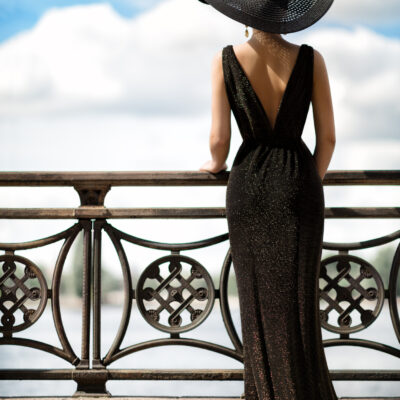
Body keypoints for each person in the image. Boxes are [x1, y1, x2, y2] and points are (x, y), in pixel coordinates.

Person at [198, 1, 337, 399]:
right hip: (300, 186)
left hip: (249, 189)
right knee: (299, 304)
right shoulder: (312, 59)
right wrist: (304, 181)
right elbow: (326, 139)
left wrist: (213, 163)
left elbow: (219, 142)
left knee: (258, 306)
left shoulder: (225, 59)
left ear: (245, 15)